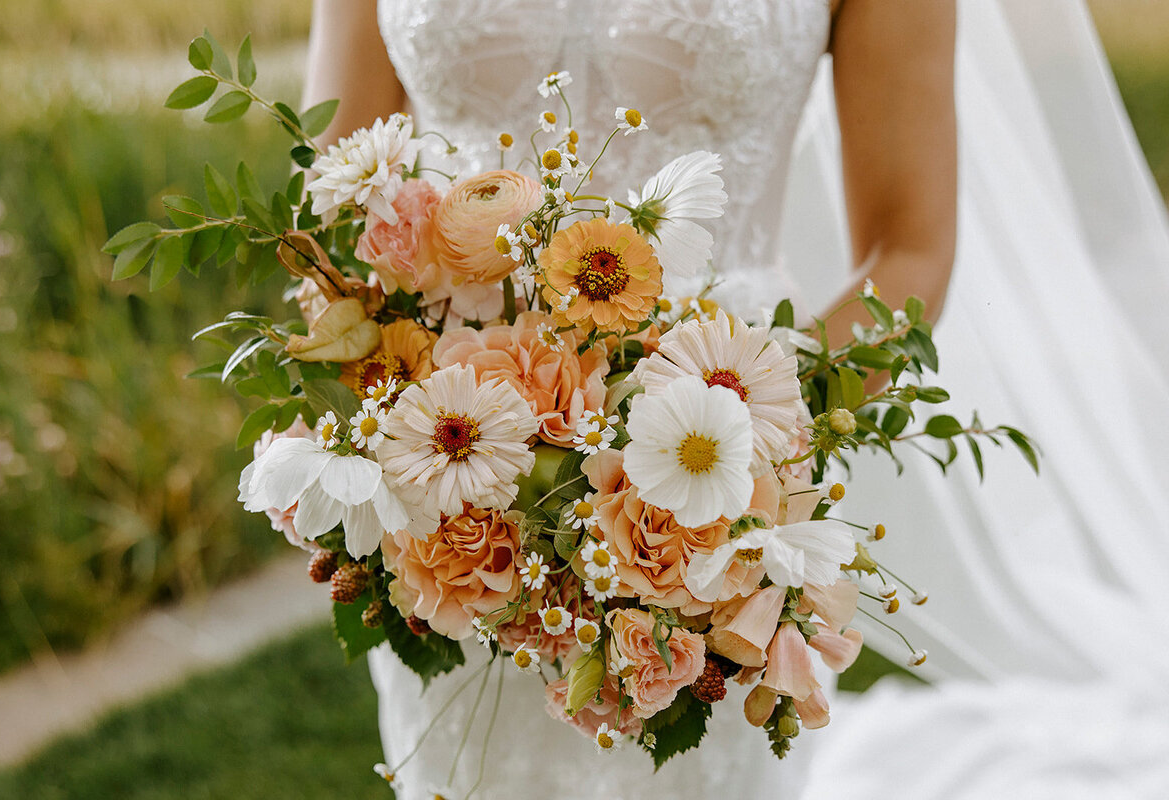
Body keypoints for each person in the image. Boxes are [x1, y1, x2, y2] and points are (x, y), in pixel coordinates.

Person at [302, 1, 1169, 796]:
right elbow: (334, 213)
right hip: (451, 492)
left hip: (727, 494)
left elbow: (909, 249)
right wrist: (415, 420)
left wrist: (735, 436)